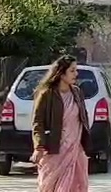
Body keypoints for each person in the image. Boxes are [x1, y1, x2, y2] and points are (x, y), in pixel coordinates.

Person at [30, 55, 90, 192]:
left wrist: (86, 142)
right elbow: (37, 122)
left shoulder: (77, 92)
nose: (76, 74)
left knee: (76, 186)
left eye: (76, 70)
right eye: (72, 70)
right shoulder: (46, 94)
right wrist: (39, 146)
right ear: (61, 73)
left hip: (75, 150)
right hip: (55, 150)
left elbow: (83, 118)